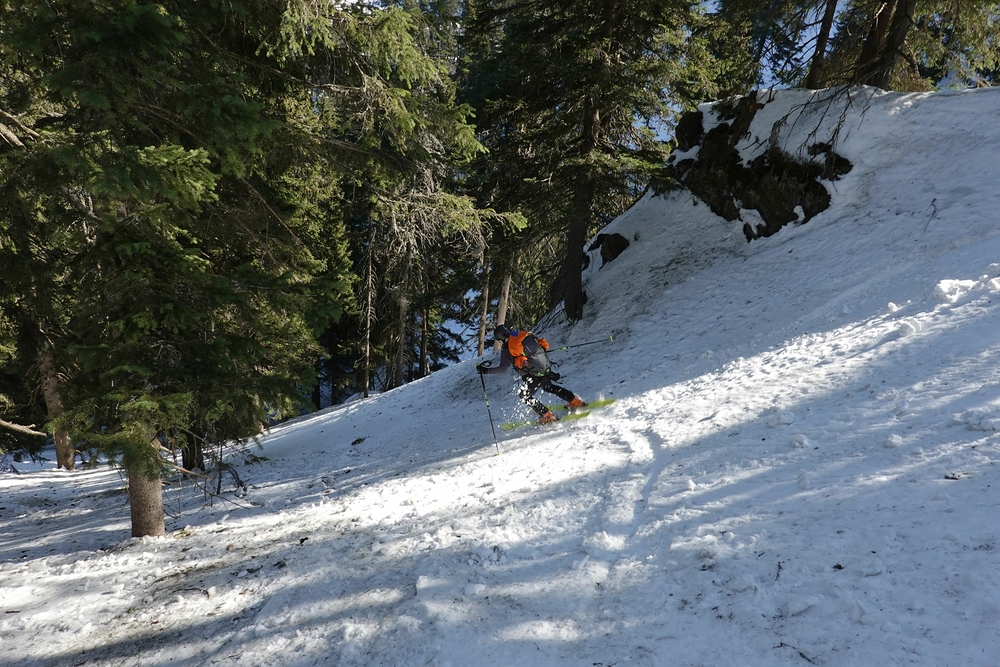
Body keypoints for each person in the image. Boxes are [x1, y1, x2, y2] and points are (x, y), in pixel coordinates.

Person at [478, 324, 586, 424]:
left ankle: (547, 415)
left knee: (524, 396)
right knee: (549, 387)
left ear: (500, 339)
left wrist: (485, 371)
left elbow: (502, 369)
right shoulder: (522, 336)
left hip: (532, 373)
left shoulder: (507, 350)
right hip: (542, 366)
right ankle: (575, 401)